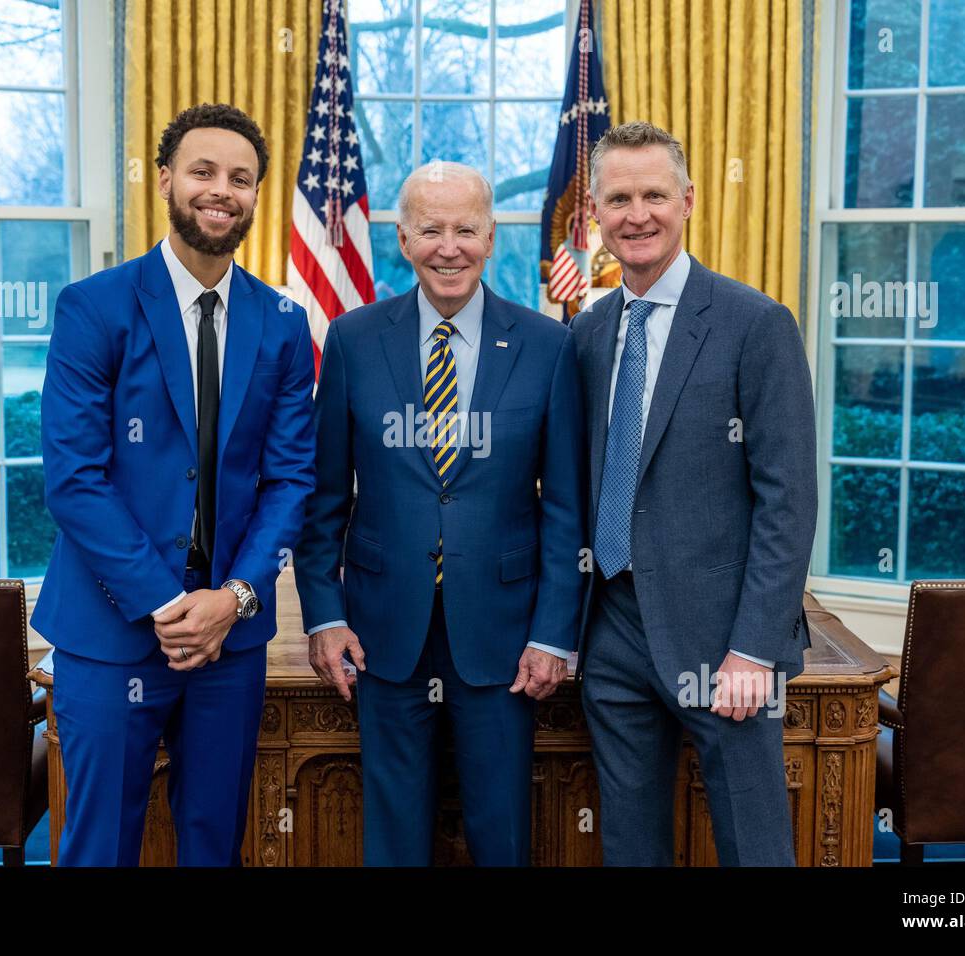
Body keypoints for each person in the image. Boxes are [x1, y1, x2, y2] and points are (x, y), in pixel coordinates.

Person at [31, 102, 315, 866]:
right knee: (99, 849)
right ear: (165, 180)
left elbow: (291, 479)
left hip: (232, 636)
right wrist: (168, 606)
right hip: (110, 632)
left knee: (214, 842)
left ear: (257, 195)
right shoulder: (94, 307)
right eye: (203, 171)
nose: (221, 190)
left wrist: (234, 601)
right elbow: (75, 480)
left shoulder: (284, 322)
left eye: (241, 178)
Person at [294, 162, 586, 865]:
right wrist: (325, 616)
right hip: (381, 631)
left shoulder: (549, 347)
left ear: (491, 238)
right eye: (431, 229)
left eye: (465, 229)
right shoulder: (354, 338)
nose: (447, 246)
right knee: (392, 838)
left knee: (502, 832)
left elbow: (569, 509)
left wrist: (555, 634)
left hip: (505, 636)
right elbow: (323, 498)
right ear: (403, 238)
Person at [572, 122, 817, 866]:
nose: (636, 214)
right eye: (619, 198)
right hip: (609, 630)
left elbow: (789, 500)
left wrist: (753, 650)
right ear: (595, 213)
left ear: (688, 202)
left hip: (724, 640)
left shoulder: (755, 323)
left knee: (754, 846)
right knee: (630, 845)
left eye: (654, 195)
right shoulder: (588, 332)